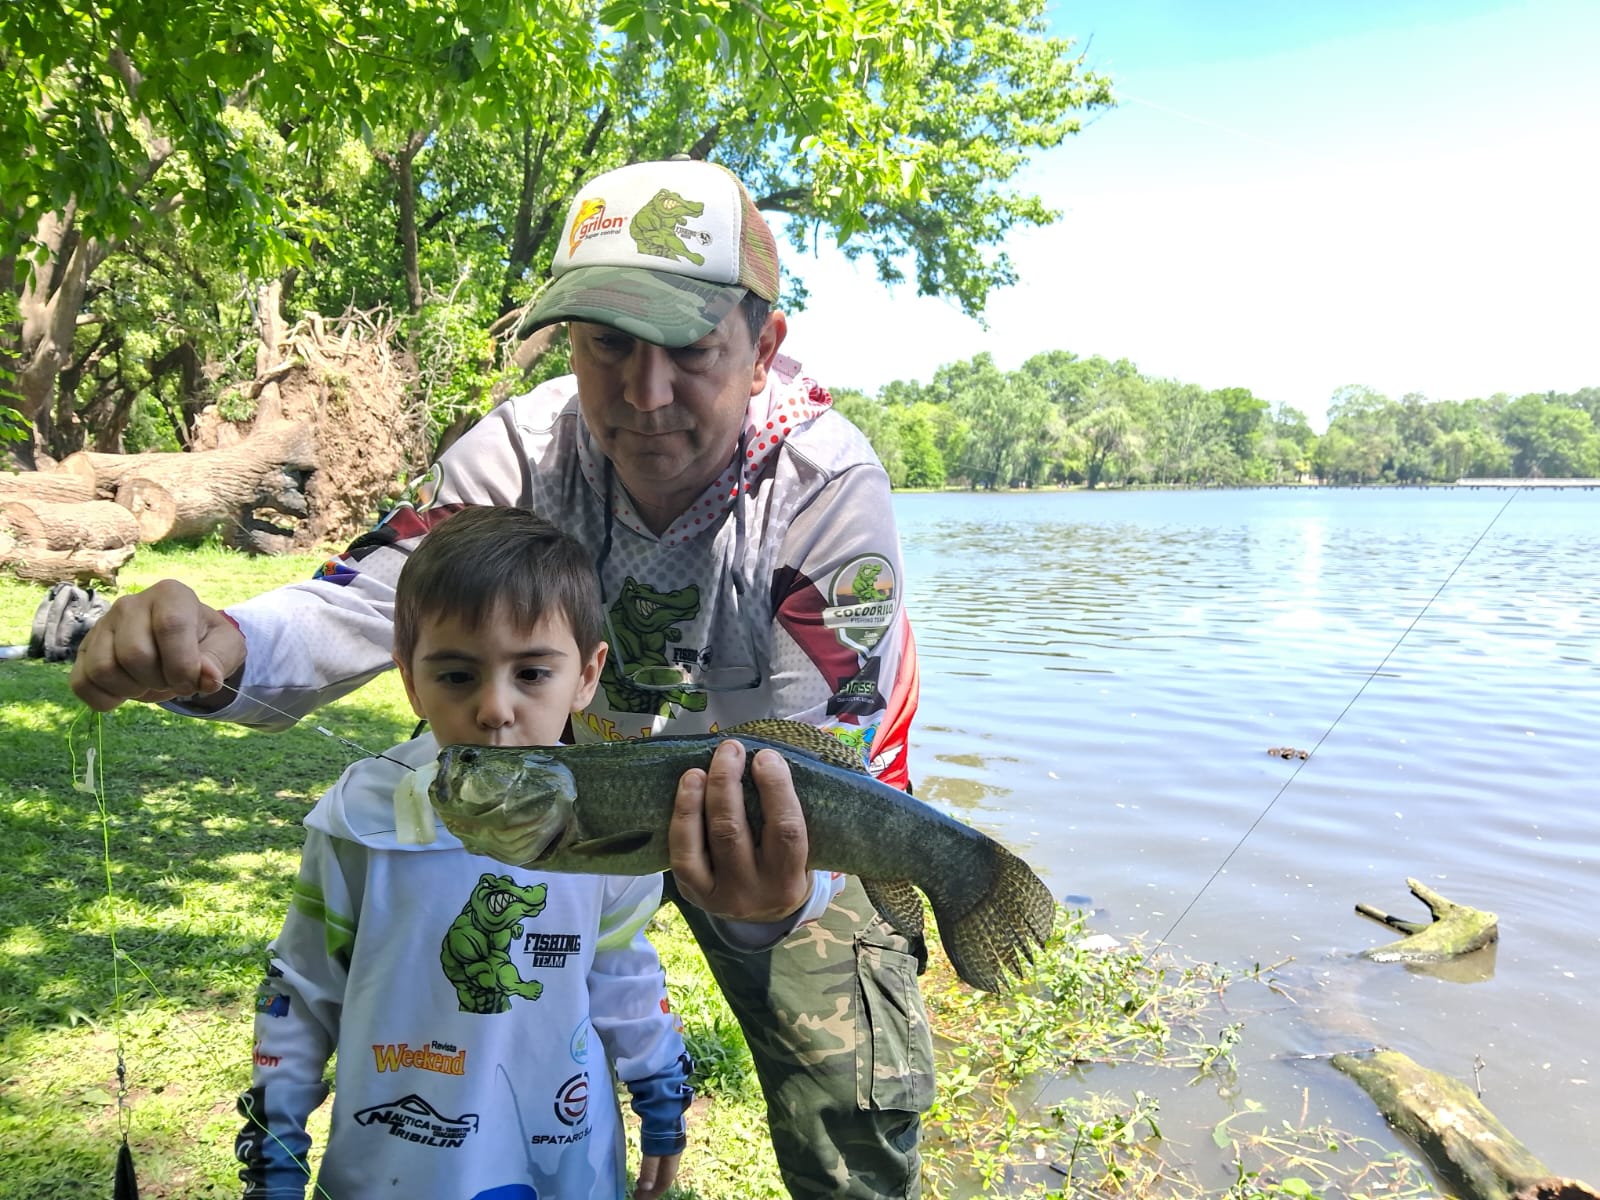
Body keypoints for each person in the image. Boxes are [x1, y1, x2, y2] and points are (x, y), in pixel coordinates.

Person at [73, 156, 933, 1199]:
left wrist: (771, 907)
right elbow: (361, 601)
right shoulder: (518, 452)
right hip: (553, 804)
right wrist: (217, 642)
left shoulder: (828, 490)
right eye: (607, 344)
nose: (644, 394)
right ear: (567, 339)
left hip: (780, 831)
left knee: (851, 1117)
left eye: (691, 350)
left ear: (763, 349)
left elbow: (833, 772)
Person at [234, 507, 691, 1200]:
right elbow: (301, 987)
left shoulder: (606, 826)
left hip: (561, 1160)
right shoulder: (358, 820)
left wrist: (660, 1093)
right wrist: (275, 1142)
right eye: (455, 676)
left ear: (588, 674)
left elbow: (622, 969)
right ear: (409, 678)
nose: (495, 709)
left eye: (533, 673)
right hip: (391, 1167)